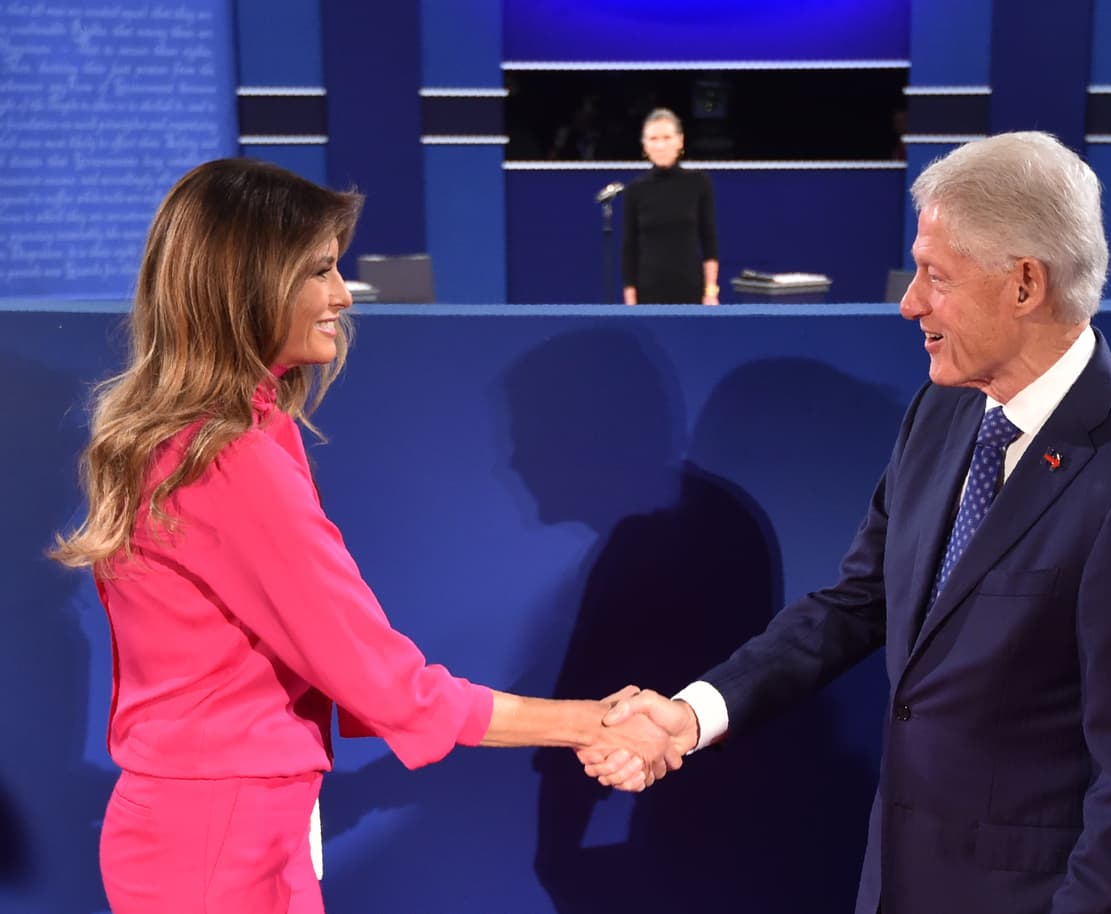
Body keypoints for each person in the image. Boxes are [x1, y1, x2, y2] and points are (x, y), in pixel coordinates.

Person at [588, 131, 1111, 914]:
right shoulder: (944, 408)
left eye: (936, 277)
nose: (910, 302)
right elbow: (856, 603)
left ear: (1024, 284)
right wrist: (693, 713)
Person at [49, 158, 663, 914]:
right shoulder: (229, 459)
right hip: (217, 841)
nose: (342, 296)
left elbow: (339, 678)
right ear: (246, 284)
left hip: (235, 825)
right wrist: (588, 722)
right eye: (319, 272)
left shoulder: (234, 436)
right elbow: (380, 681)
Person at [621, 108, 720, 305]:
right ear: (645, 145)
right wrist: (630, 300)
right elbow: (629, 248)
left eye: (667, 138)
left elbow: (709, 240)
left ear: (680, 141)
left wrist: (711, 291)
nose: (660, 145)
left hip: (691, 289)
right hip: (648, 292)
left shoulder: (698, 183)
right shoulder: (635, 190)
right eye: (654, 139)